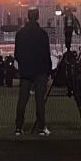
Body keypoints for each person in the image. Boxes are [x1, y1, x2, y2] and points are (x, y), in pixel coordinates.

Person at [14, 8, 52, 136]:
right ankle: (41, 127)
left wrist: (23, 65)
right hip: (40, 71)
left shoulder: (20, 34)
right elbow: (47, 54)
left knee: (22, 100)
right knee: (40, 100)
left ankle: (18, 127)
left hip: (26, 70)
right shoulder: (42, 34)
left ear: (28, 16)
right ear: (38, 17)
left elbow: (17, 54)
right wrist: (48, 70)